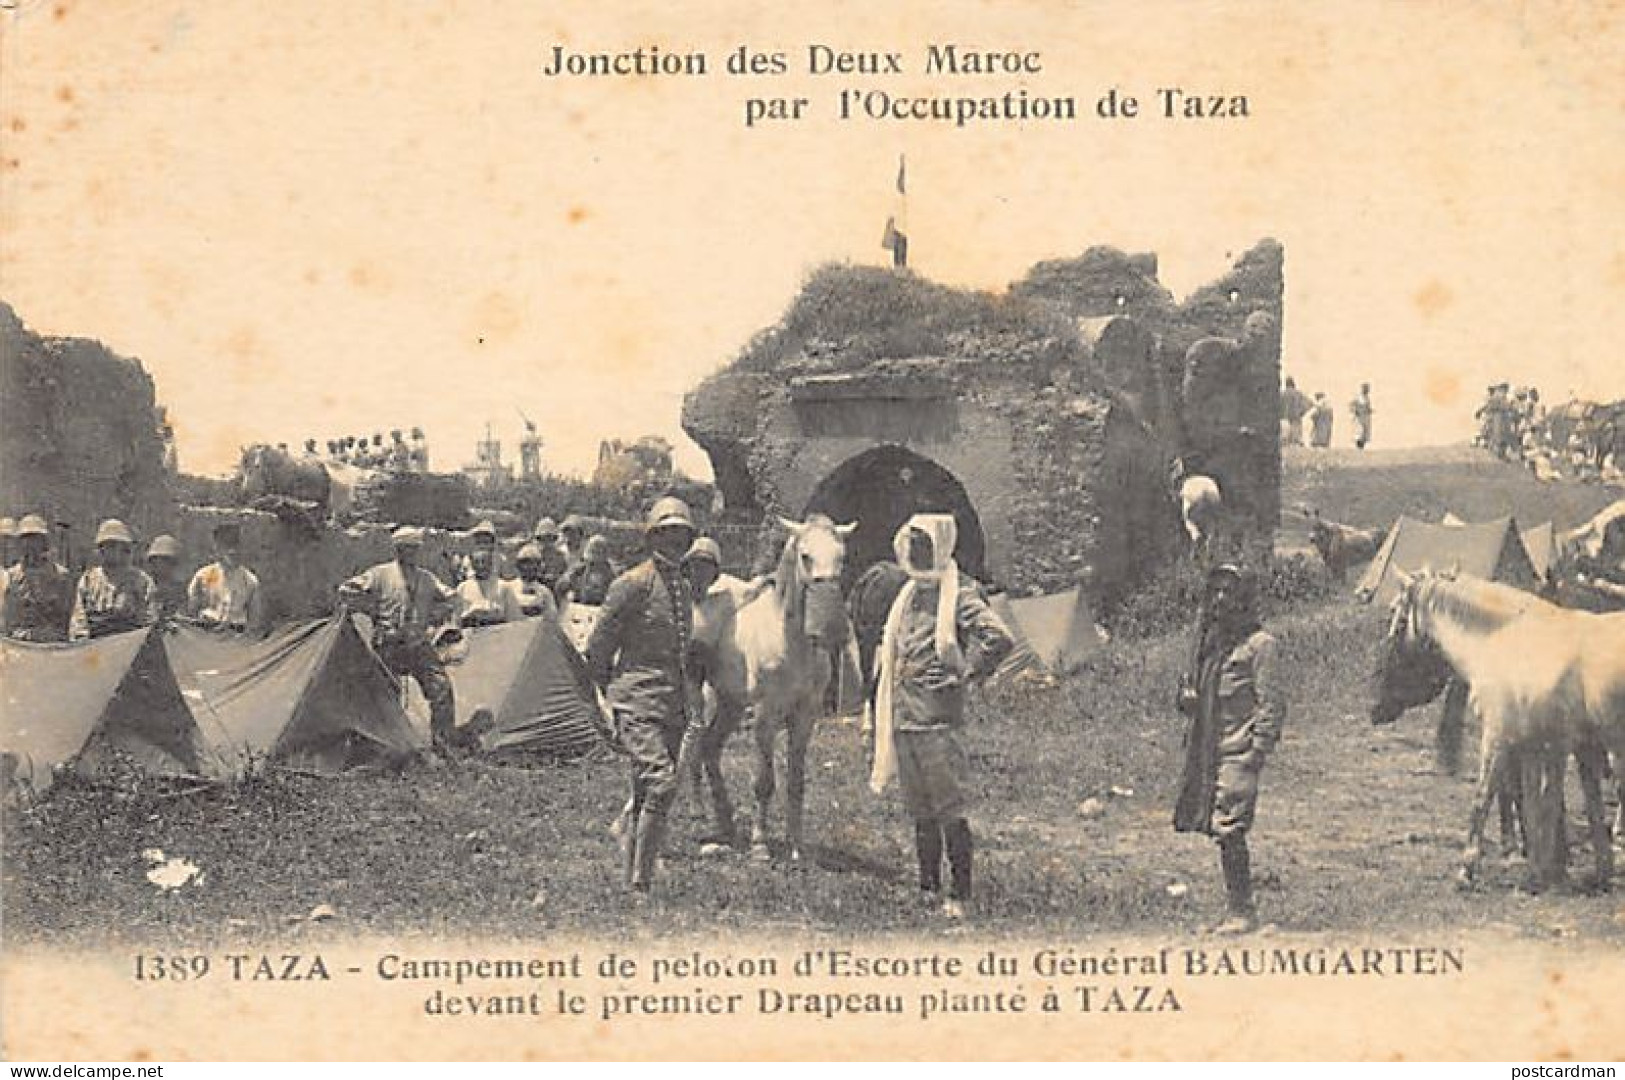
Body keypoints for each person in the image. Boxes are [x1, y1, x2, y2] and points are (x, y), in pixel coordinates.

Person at [869, 514, 1014, 920]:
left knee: (949, 807)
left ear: (941, 546)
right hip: (904, 717)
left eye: (922, 544)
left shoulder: (961, 593)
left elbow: (998, 637)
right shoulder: (909, 595)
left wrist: (963, 671)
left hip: (938, 718)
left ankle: (961, 892)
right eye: (910, 543)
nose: (915, 551)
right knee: (920, 809)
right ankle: (927, 887)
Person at [584, 496, 698, 892]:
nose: (674, 542)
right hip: (635, 702)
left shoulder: (683, 586)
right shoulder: (632, 585)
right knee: (662, 783)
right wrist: (606, 699)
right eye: (666, 534)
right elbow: (597, 649)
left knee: (643, 787)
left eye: (681, 535)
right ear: (653, 537)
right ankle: (642, 885)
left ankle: (632, 877)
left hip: (671, 704)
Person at [1173, 563, 1286, 935]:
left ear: (1243, 599)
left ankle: (1243, 911)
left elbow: (1271, 703)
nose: (1221, 600)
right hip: (1208, 750)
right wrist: (1186, 696)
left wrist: (1258, 751)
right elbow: (1196, 699)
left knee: (1230, 828)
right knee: (1215, 824)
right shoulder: (1212, 647)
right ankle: (1235, 908)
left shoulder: (1261, 647)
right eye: (1216, 592)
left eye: (1229, 592)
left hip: (1240, 749)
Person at [339, 527, 459, 748]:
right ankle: (384, 746)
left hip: (418, 644)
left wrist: (436, 614)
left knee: (441, 687)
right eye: (405, 549)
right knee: (383, 694)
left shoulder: (427, 578)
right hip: (389, 644)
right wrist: (371, 610)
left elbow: (452, 597)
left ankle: (443, 745)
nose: (410, 553)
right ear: (397, 550)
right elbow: (346, 590)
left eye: (414, 549)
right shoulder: (380, 574)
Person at [70, 519, 157, 640]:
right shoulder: (88, 579)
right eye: (110, 545)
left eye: (119, 546)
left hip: (131, 644)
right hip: (95, 645)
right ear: (101, 548)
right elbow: (79, 619)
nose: (115, 551)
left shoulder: (141, 580)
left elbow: (149, 619)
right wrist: (81, 639)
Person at [2, 514, 74, 642]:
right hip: (21, 643)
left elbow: (68, 617)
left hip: (53, 643)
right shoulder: (11, 577)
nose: (30, 544)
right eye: (26, 539)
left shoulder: (61, 576)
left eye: (35, 539)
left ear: (44, 542)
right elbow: (7, 621)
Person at [187, 522, 263, 634]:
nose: (232, 551)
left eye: (235, 545)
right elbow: (192, 610)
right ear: (217, 547)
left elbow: (254, 620)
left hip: (236, 636)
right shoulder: (203, 575)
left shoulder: (250, 580)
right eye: (226, 545)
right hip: (206, 633)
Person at [454, 536, 524, 627]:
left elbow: (515, 620)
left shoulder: (503, 587)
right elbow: (457, 622)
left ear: (491, 563)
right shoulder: (462, 588)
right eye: (477, 562)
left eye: (484, 562)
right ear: (472, 564)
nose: (481, 566)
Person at [559, 534, 616, 606]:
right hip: (581, 607)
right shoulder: (580, 569)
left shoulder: (611, 573)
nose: (594, 563)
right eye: (591, 560)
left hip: (602, 608)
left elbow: (614, 596)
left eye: (598, 554)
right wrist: (570, 582)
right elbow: (561, 586)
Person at [145, 535, 187, 625]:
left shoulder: (179, 589)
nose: (158, 564)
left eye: (166, 560)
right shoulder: (144, 584)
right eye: (154, 560)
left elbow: (184, 614)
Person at [511, 543, 560, 619]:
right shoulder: (510, 588)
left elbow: (552, 617)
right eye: (525, 563)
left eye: (533, 563)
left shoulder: (545, 592)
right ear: (518, 565)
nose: (529, 567)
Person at [1279, 376, 1311, 447]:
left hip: (1284, 417)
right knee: (1296, 437)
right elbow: (1309, 404)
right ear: (1293, 384)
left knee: (1285, 437)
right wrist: (1301, 412)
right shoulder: (1298, 394)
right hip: (1296, 417)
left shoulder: (1282, 394)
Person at [1350, 383, 1374, 450]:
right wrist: (1355, 411)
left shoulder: (1367, 398)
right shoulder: (1358, 397)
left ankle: (1362, 447)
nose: (1367, 390)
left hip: (1366, 417)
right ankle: (1358, 447)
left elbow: (1368, 407)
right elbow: (1351, 405)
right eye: (1365, 389)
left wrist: (1370, 410)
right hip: (1359, 418)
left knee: (1365, 433)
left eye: (1367, 389)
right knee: (1359, 432)